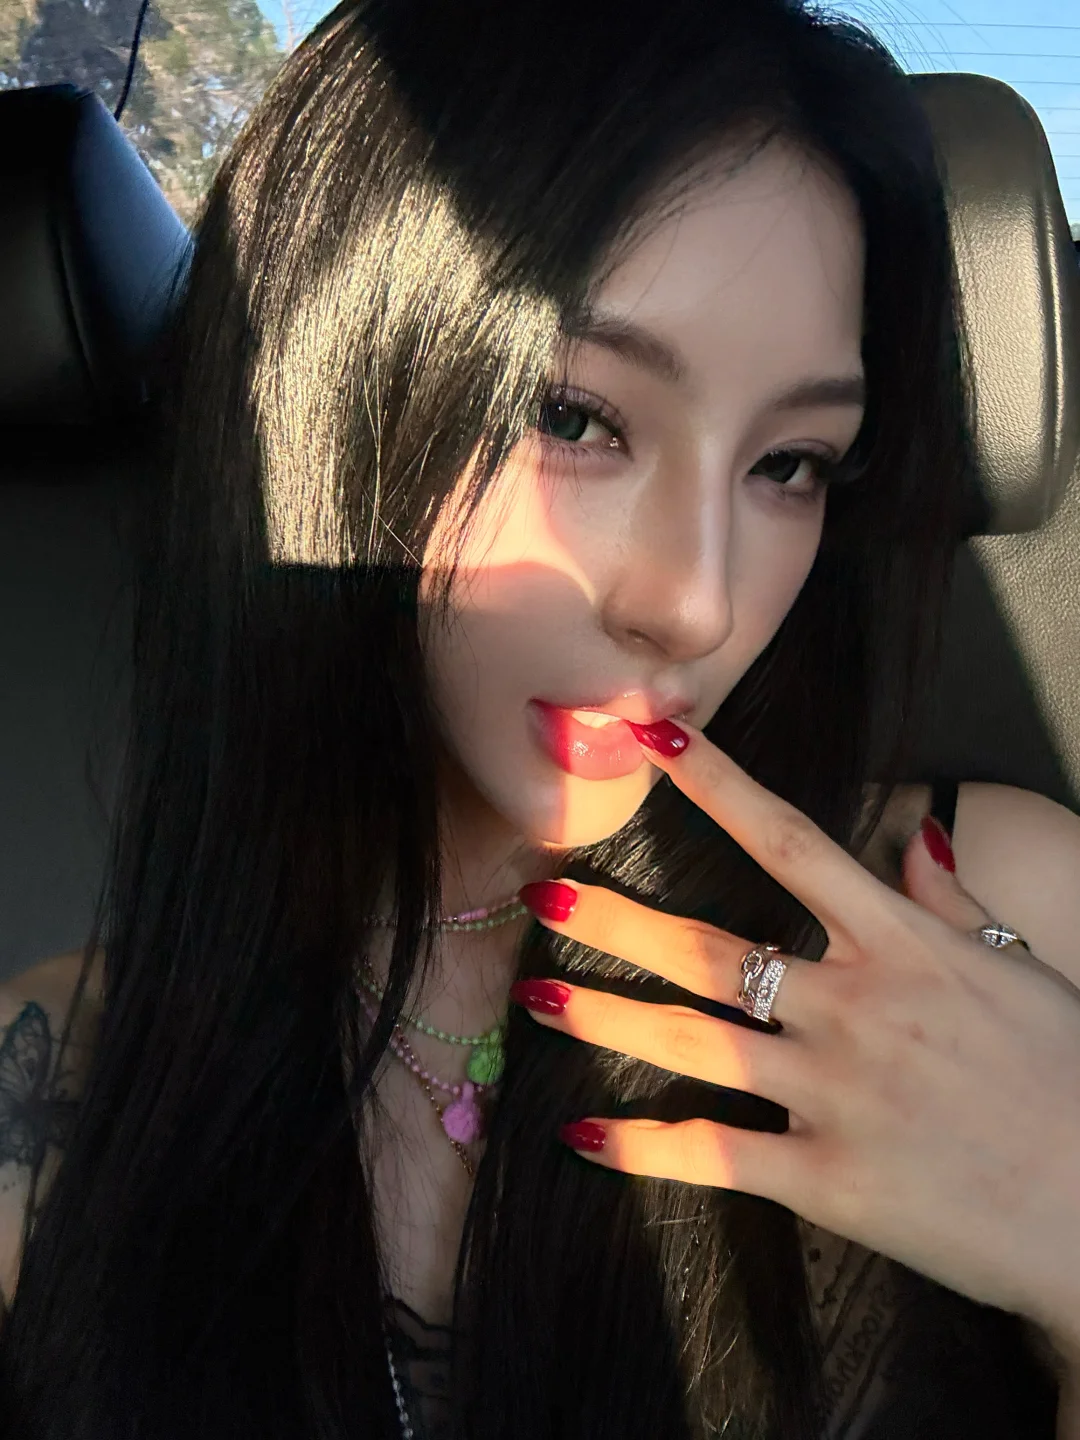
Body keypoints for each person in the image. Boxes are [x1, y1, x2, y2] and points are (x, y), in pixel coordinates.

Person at [0, 0, 1078, 1436]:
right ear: (326, 406)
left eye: (794, 464)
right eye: (574, 417)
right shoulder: (61, 1073)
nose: (697, 604)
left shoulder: (1004, 917)